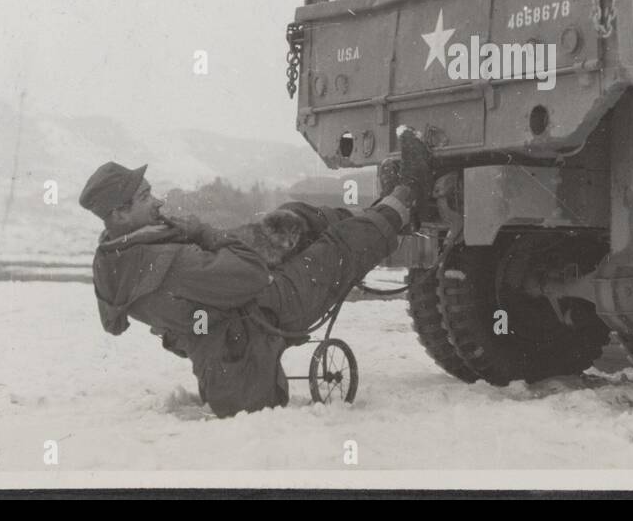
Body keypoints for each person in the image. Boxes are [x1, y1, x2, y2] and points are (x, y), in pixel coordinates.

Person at [80, 128, 433, 418]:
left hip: (232, 333)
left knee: (290, 217)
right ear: (120, 215)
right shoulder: (167, 266)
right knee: (340, 245)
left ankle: (387, 211)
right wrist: (203, 231)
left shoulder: (116, 256)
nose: (157, 201)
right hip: (255, 334)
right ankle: (411, 193)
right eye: (145, 198)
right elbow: (250, 273)